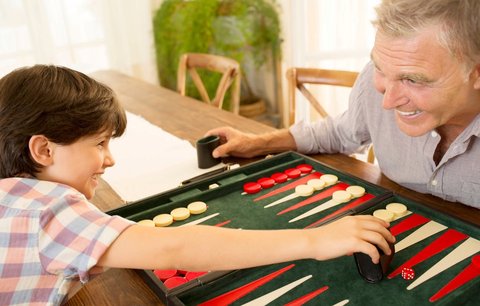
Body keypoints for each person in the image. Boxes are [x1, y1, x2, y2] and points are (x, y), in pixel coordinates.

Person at [0, 65, 394, 306]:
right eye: (100, 144)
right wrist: (317, 241)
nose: (110, 159)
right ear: (43, 150)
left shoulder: (12, 194)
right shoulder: (52, 211)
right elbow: (174, 246)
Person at [206, 0, 480, 208]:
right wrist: (256, 143)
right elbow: (339, 132)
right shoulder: (375, 85)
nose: (387, 100)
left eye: (413, 79)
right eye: (380, 67)